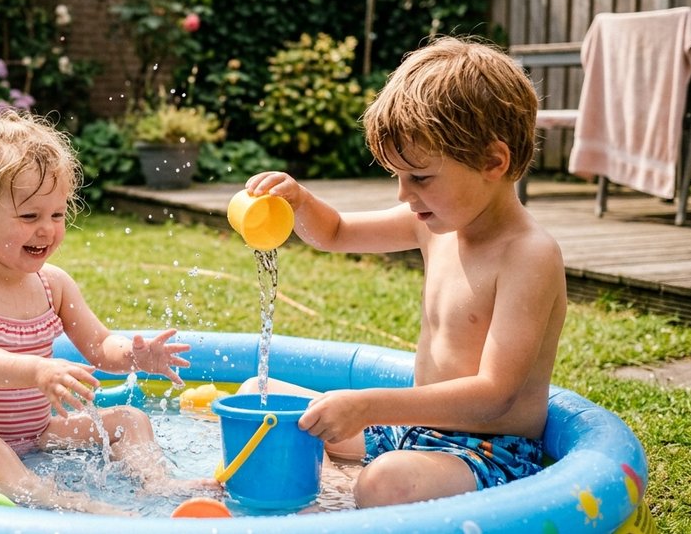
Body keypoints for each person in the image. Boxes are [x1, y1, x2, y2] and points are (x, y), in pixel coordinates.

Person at [238, 37, 567, 508]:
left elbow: (494, 395)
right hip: (408, 432)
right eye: (398, 177)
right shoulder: (434, 224)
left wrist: (368, 407)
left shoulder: (527, 255)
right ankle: (328, 487)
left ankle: (331, 490)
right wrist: (301, 201)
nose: (403, 195)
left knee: (384, 483)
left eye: (420, 178)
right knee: (259, 396)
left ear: (494, 162)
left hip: (485, 452)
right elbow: (336, 233)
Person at [0, 109, 215, 514]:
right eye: (29, 216)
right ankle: (57, 500)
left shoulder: (53, 284)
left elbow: (99, 345)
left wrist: (134, 356)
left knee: (129, 419)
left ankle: (157, 483)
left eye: (57, 214)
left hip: (38, 432)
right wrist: (38, 371)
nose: (46, 229)